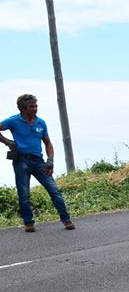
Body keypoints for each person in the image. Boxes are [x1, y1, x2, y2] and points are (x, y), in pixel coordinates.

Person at [0, 94, 74, 232]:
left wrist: (50, 160)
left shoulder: (41, 122)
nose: (35, 109)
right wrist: (8, 142)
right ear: (22, 108)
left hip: (39, 162)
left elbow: (48, 143)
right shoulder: (13, 121)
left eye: (36, 106)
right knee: (24, 194)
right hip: (21, 161)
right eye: (31, 107)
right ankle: (28, 223)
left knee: (54, 191)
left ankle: (66, 220)